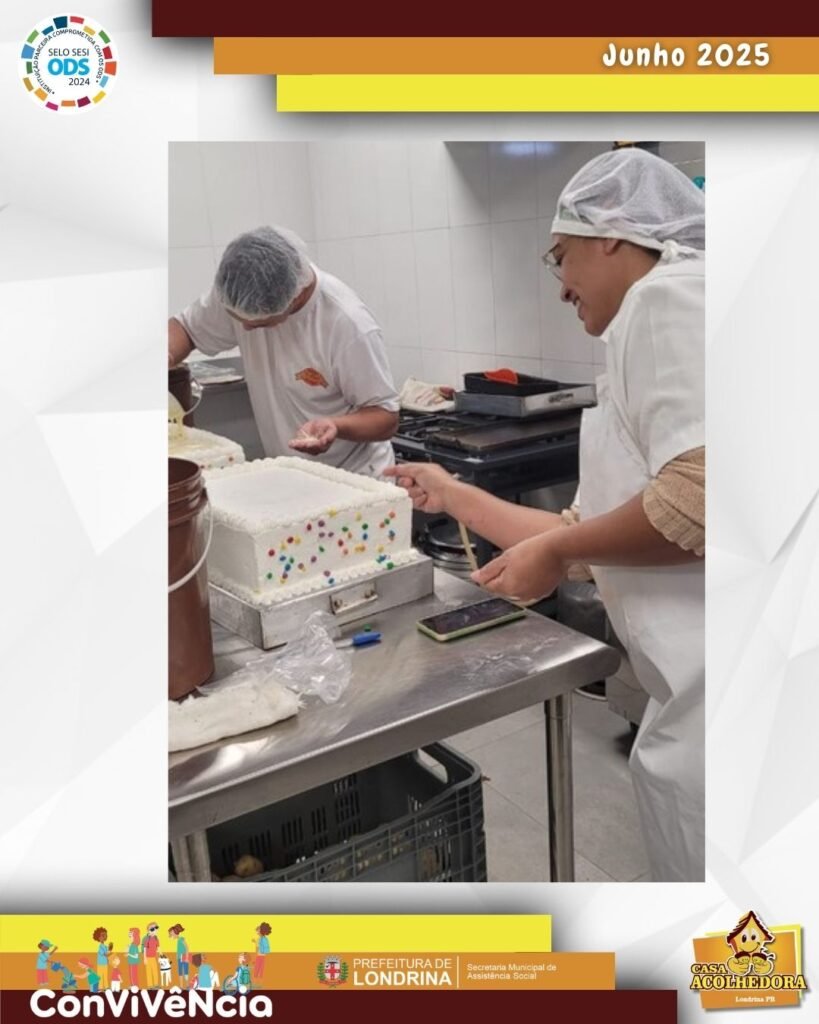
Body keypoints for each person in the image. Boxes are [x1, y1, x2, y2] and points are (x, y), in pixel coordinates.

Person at [387, 147, 705, 884]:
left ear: (612, 235)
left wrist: (558, 555)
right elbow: (595, 535)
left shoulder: (667, 299)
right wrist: (452, 494)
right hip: (698, 694)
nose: (560, 286)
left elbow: (699, 499)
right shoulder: (663, 317)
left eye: (560, 256)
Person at [168, 226, 399, 477]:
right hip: (291, 474)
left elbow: (385, 417)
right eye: (238, 319)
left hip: (355, 478)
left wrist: (335, 425)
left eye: (259, 323)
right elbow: (186, 329)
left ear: (293, 299)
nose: (245, 328)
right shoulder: (239, 292)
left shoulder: (347, 324)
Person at [168, 923, 189, 989]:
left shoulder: (181, 939)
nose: (171, 935)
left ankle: (187, 985)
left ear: (175, 932)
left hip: (184, 957)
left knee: (185, 972)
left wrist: (187, 956)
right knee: (180, 972)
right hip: (179, 958)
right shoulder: (178, 940)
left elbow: (187, 947)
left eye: (172, 934)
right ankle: (181, 986)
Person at [142, 922, 162, 990]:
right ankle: (150, 985)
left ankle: (156, 984)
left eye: (156, 929)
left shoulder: (156, 939)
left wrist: (161, 955)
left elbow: (158, 948)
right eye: (152, 929)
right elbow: (145, 949)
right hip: (148, 958)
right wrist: (144, 958)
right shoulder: (147, 939)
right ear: (148, 931)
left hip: (153, 958)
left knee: (155, 971)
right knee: (149, 972)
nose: (154, 931)